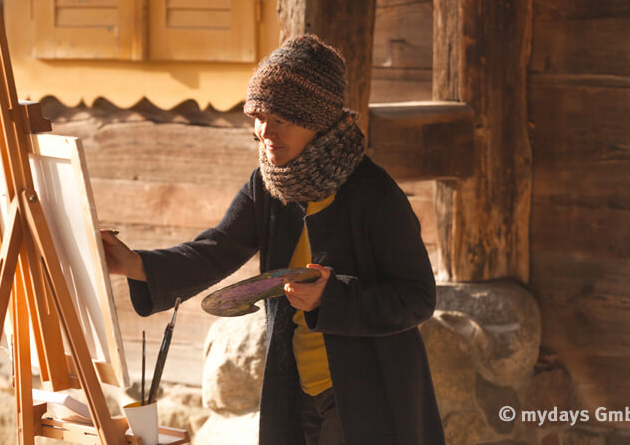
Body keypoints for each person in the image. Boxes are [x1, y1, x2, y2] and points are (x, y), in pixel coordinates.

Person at [102, 34, 444, 445]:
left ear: (317, 121)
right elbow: (217, 249)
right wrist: (136, 265)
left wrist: (330, 297)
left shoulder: (374, 194)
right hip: (294, 384)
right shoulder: (267, 186)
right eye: (258, 116)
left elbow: (418, 298)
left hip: (368, 390)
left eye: (280, 119)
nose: (265, 132)